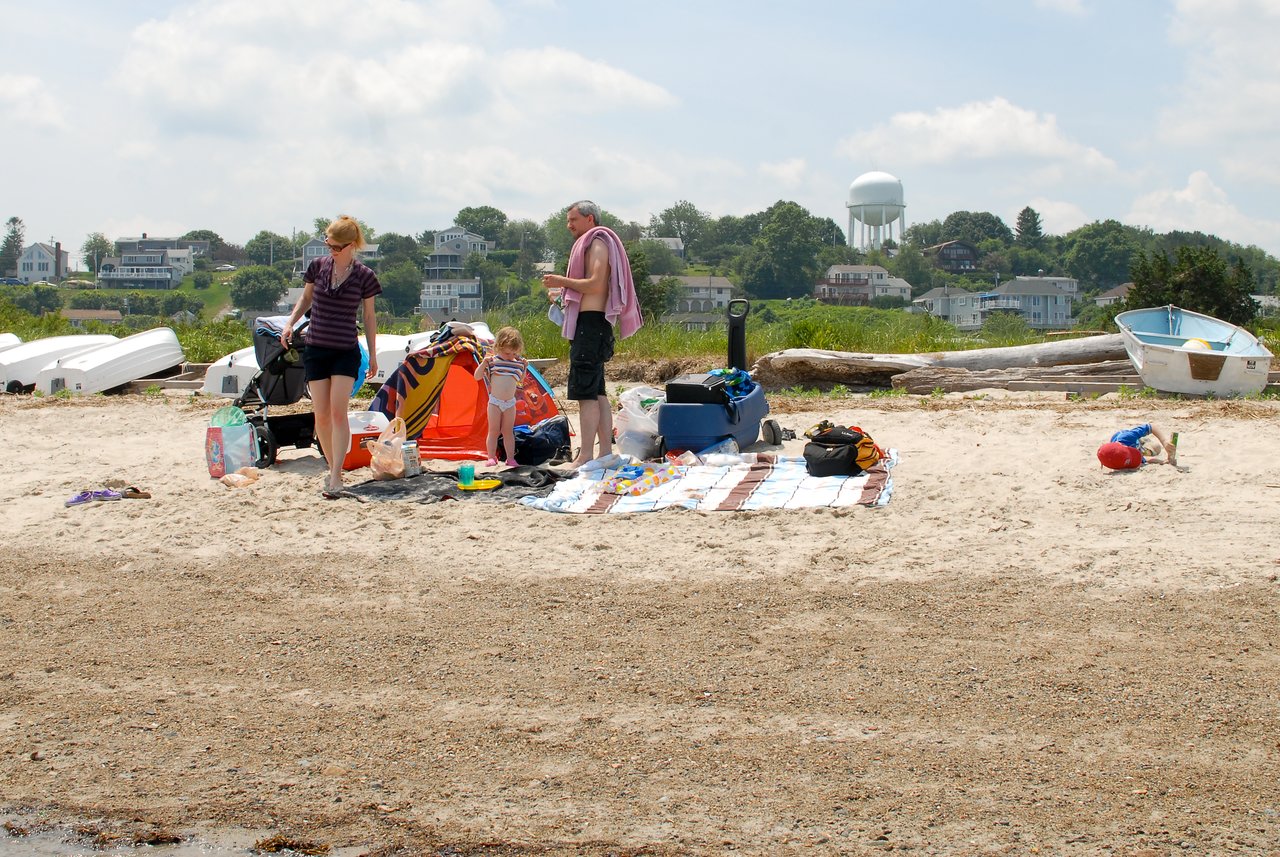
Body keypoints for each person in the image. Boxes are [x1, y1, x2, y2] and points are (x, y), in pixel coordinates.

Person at [280, 215, 380, 497]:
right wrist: (289, 323)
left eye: (337, 247)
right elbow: (305, 299)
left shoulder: (364, 276)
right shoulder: (317, 267)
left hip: (345, 350)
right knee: (320, 415)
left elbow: (370, 316)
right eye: (329, 245)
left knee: (338, 412)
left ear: (351, 245)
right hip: (316, 347)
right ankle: (331, 464)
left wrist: (373, 354)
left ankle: (337, 474)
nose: (331, 251)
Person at [542, 200, 643, 468]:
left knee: (585, 394)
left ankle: (586, 454)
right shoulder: (592, 243)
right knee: (597, 392)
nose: (569, 225)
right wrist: (563, 293)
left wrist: (561, 281)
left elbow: (596, 284)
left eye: (573, 220)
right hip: (591, 325)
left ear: (589, 219)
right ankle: (605, 454)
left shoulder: (597, 242)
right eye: (568, 220)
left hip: (591, 326)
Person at [474, 325, 529, 467]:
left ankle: (510, 458)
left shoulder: (516, 364)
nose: (510, 357)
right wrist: (483, 363)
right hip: (495, 402)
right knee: (493, 431)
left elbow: (520, 381)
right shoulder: (493, 362)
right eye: (507, 353)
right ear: (498, 347)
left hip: (510, 403)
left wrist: (525, 367)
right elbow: (477, 376)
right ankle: (491, 457)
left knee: (508, 431)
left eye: (513, 354)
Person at [1097, 422, 1177, 470]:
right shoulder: (1118, 461)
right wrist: (1162, 462)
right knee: (1152, 450)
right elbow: (1143, 459)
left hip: (1135, 441)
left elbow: (1151, 426)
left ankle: (1144, 441)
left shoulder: (1126, 437)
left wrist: (1164, 442)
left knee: (1157, 447)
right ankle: (1144, 448)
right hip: (1137, 448)